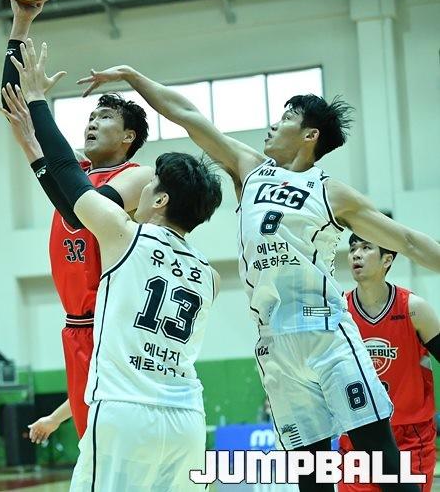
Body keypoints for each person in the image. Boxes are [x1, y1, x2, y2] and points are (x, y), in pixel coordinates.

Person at [76, 65, 440, 491]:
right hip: (274, 344)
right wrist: (132, 76)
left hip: (326, 334)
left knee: (380, 461)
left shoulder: (331, 191)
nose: (273, 124)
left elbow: (409, 241)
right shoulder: (250, 168)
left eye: (286, 118)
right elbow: (187, 114)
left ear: (310, 135)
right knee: (311, 476)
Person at [0, 37, 223, 490]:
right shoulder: (211, 276)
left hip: (122, 400)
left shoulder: (125, 235)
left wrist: (38, 111)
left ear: (159, 199)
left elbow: (72, 199)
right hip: (183, 409)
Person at [0, 0, 154, 441]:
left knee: (112, 453)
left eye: (104, 117)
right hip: (77, 328)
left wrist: (35, 150)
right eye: (90, 116)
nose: (91, 123)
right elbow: (13, 103)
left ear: (128, 136)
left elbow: (79, 212)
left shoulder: (139, 176)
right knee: (94, 451)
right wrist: (21, 25)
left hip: (113, 323)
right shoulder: (76, 174)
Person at [338, 234, 440, 492]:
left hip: (409, 437)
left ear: (387, 260)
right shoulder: (340, 311)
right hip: (357, 435)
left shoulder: (414, 309)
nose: (356, 254)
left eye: (366, 247)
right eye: (352, 248)